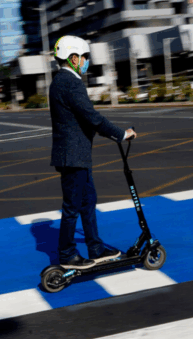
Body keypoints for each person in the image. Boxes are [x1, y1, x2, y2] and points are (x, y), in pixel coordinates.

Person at [49, 35, 137, 270]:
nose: (87, 61)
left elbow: (82, 119)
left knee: (88, 201)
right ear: (74, 58)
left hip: (76, 155)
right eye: (85, 57)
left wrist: (105, 131)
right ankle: (67, 254)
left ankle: (95, 247)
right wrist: (120, 134)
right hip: (73, 156)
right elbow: (91, 116)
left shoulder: (61, 80)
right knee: (72, 207)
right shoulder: (70, 82)